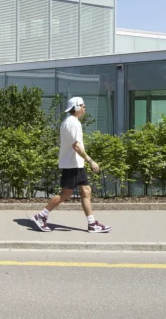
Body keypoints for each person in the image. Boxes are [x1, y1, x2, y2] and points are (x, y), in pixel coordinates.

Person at [31, 96, 111, 233]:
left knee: (86, 191)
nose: (85, 108)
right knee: (66, 193)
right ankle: (41, 216)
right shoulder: (72, 123)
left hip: (77, 164)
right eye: (83, 105)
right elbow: (77, 146)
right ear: (76, 107)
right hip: (71, 164)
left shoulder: (73, 122)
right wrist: (91, 161)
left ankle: (92, 224)